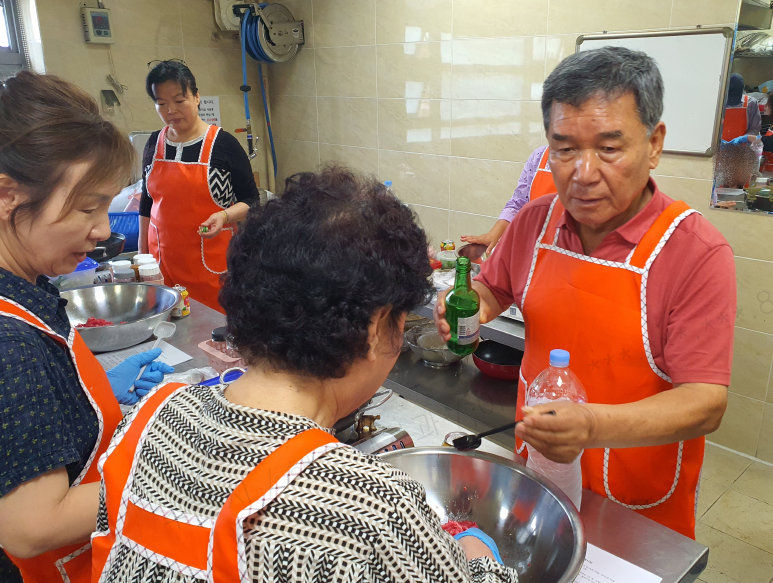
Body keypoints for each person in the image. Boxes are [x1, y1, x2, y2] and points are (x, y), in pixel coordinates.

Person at [92, 167, 519, 583]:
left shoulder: (148, 421)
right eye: (403, 320)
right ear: (376, 328)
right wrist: (477, 559)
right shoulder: (373, 510)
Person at [434, 47, 735, 539]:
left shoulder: (695, 253)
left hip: (637, 509)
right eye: (565, 148)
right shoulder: (535, 222)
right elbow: (492, 289)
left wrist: (591, 425)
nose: (583, 172)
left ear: (654, 143)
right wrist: (469, 307)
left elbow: (705, 402)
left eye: (609, 148)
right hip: (539, 479)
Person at [0, 72, 174, 583]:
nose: (102, 230)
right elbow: (33, 526)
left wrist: (87, 407)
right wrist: (162, 472)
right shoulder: (9, 343)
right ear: (7, 196)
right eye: (87, 207)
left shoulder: (28, 286)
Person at [139, 60, 260, 313]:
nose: (171, 110)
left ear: (196, 97)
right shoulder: (154, 143)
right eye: (161, 104)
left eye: (179, 100)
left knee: (213, 336)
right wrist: (141, 261)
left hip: (211, 269)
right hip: (162, 267)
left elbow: (252, 201)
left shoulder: (223, 145)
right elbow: (146, 203)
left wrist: (224, 215)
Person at [461, 145, 556, 253]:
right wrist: (493, 234)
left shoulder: (578, 164)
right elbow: (519, 202)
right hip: (533, 247)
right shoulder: (539, 156)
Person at [722, 73, 761, 141]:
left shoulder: (751, 103)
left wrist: (743, 139)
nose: (733, 97)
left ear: (742, 90)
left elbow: (755, 129)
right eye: (730, 93)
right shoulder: (719, 104)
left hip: (743, 148)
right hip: (720, 148)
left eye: (736, 94)